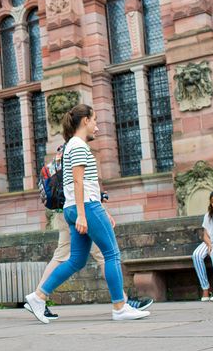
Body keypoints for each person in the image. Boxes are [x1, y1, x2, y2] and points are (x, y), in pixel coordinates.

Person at [25, 104, 149, 323]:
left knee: (76, 261)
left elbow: (84, 184)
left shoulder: (70, 146)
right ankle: (120, 307)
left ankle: (38, 295)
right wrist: (85, 214)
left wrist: (97, 211)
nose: (97, 127)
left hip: (74, 208)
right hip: (85, 207)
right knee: (112, 254)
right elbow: (78, 181)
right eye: (95, 120)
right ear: (84, 121)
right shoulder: (79, 146)